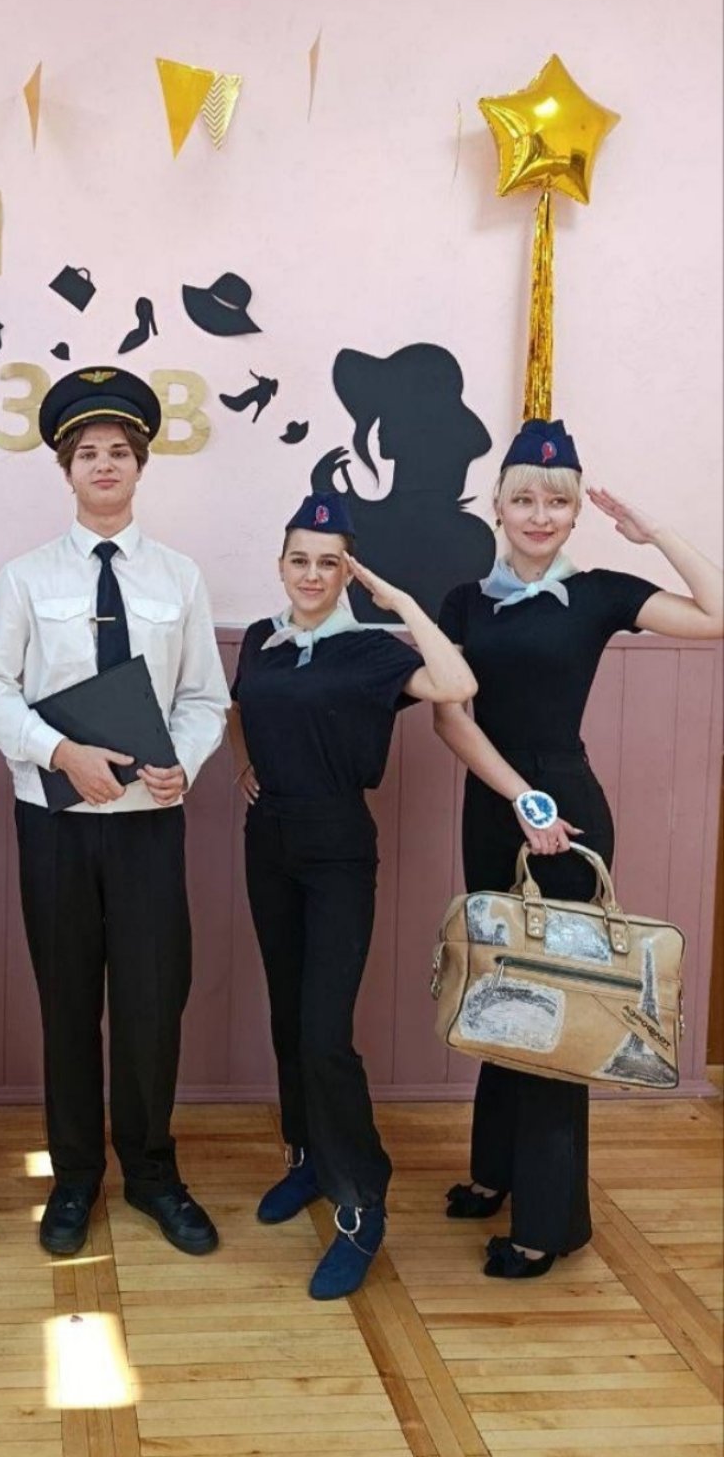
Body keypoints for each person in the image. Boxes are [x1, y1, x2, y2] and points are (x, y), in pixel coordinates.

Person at [433, 419, 723, 1278]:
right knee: (499, 983)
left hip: (569, 815)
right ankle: (493, 1171)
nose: (539, 515)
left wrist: (654, 532)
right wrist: (516, 797)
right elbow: (450, 719)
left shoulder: (599, 592)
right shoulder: (462, 601)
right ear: (496, 507)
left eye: (555, 503)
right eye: (523, 499)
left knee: (555, 1005)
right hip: (496, 805)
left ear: (573, 515)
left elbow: (717, 617)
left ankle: (546, 1222)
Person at [0, 367, 230, 1258]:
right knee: (68, 1002)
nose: (104, 465)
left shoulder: (179, 577)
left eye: (119, 451)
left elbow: (204, 697)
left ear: (140, 465)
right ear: (65, 469)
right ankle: (74, 1174)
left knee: (152, 1003)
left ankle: (152, 1173)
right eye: (87, 453)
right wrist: (58, 752)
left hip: (148, 823)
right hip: (55, 823)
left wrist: (182, 762)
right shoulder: (24, 576)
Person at [227, 492, 476, 1298]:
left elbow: (456, 680)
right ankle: (306, 1158)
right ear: (280, 565)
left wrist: (398, 602)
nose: (310, 574)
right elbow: (241, 707)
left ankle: (361, 1204)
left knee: (324, 1032)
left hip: (336, 844)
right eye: (298, 560)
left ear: (346, 573)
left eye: (327, 563)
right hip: (268, 838)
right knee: (286, 1016)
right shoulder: (261, 640)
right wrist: (243, 762)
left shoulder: (372, 651)